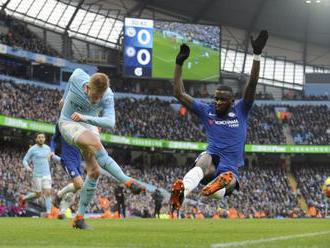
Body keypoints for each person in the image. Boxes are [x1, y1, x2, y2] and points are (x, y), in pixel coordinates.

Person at [170, 30, 269, 211]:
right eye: (216, 98)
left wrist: (257, 55)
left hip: (229, 168)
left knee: (229, 179)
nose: (217, 102)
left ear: (232, 102)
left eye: (222, 99)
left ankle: (216, 186)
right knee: (206, 157)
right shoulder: (207, 111)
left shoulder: (241, 109)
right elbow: (179, 94)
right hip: (211, 163)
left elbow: (252, 84)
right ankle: (181, 192)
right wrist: (179, 63)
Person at [58, 69, 145, 229]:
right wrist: (64, 98)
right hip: (68, 122)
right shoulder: (78, 77)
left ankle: (79, 218)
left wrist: (86, 118)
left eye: (99, 97)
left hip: (87, 123)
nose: (96, 100)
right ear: (87, 88)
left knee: (94, 172)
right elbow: (71, 78)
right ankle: (127, 181)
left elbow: (110, 122)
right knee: (97, 145)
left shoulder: (107, 95)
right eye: (94, 96)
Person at [49, 123, 83, 219]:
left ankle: (62, 211)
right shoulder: (61, 122)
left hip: (78, 159)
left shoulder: (81, 122)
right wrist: (52, 150)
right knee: (79, 184)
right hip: (67, 158)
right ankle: (59, 195)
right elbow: (54, 139)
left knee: (77, 187)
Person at [19, 133, 53, 217]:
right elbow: (25, 160)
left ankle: (49, 213)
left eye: (42, 137)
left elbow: (51, 158)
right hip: (37, 175)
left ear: (44, 139)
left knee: (48, 192)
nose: (41, 139)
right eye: (39, 137)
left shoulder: (48, 148)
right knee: (38, 194)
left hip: (47, 174)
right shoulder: (32, 149)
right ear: (36, 139)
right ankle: (23, 198)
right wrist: (27, 167)